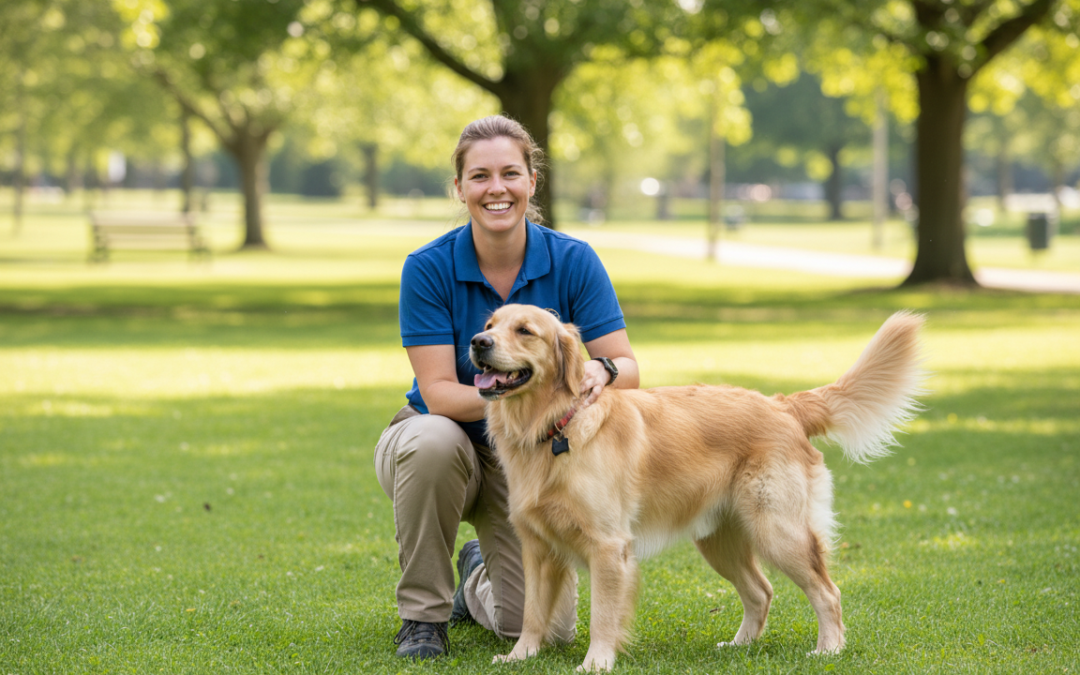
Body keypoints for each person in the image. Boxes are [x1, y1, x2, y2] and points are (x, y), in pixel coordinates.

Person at [374, 115, 639, 659]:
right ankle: (423, 618)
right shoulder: (426, 268)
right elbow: (441, 393)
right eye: (479, 176)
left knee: (543, 629)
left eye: (510, 174)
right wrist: (535, 391)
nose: (496, 189)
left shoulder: (573, 259)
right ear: (460, 188)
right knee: (432, 442)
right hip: (445, 441)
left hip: (537, 452)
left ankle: (476, 573)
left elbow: (626, 367)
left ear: (532, 182)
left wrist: (599, 371)